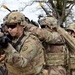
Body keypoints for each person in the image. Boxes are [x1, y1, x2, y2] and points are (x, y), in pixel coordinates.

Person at [0, 11, 46, 75]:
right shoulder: (12, 38)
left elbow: (22, 63)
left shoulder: (31, 41)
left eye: (12, 26)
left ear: (22, 25)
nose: (9, 29)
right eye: (8, 26)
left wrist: (7, 46)